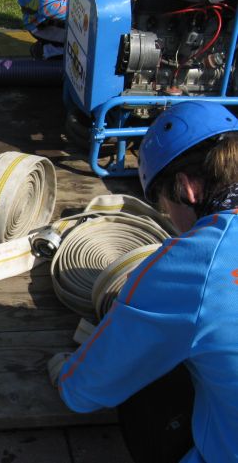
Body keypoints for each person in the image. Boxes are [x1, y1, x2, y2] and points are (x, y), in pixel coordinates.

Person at [50, 101, 238, 463]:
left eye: (165, 206)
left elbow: (84, 392)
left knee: (149, 383)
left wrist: (63, 372)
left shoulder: (192, 264)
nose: (170, 219)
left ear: (186, 188)